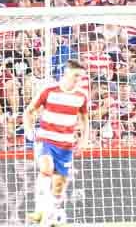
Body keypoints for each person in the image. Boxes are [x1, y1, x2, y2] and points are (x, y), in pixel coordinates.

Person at [24, 59, 90, 227]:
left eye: (81, 77)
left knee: (58, 185)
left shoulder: (81, 96)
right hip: (45, 139)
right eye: (76, 75)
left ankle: (50, 214)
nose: (78, 80)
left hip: (66, 144)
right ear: (66, 73)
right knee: (46, 169)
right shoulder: (49, 90)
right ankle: (40, 210)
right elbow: (29, 111)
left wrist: (83, 141)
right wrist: (29, 130)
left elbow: (85, 119)